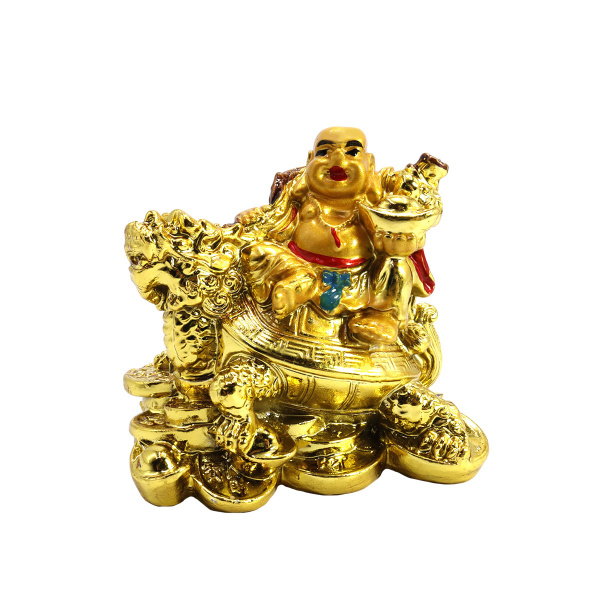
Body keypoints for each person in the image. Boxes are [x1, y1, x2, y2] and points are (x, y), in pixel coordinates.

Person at [237, 126, 444, 346]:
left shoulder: (373, 207)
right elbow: (271, 221)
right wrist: (252, 218)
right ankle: (300, 283)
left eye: (352, 152)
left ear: (370, 163)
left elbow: (407, 204)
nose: (337, 159)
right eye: (324, 152)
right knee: (258, 253)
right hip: (299, 267)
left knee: (397, 267)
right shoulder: (299, 200)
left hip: (359, 281)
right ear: (309, 160)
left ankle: (384, 317)